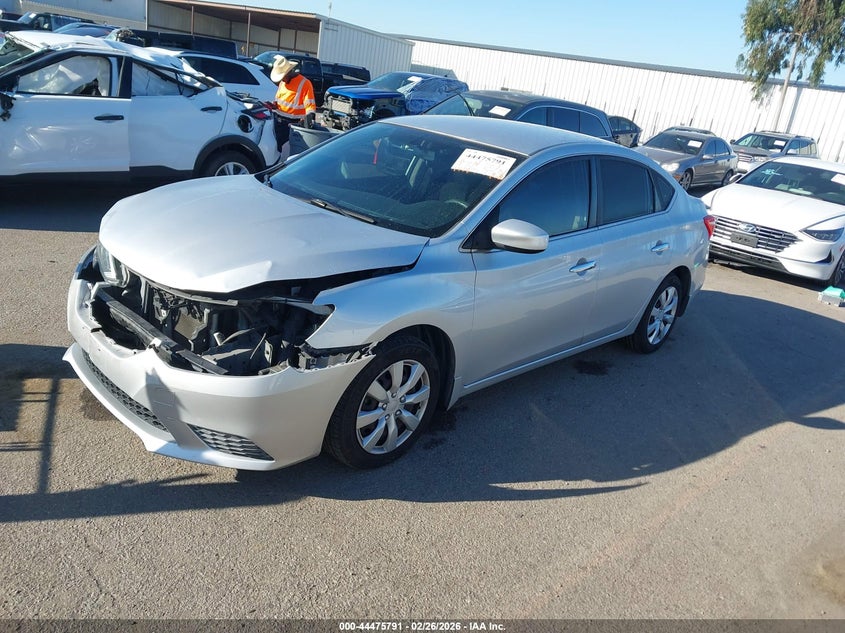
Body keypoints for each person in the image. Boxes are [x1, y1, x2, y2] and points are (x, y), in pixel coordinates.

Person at [270, 56, 316, 156]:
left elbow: (310, 106)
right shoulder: (283, 82)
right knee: (276, 153)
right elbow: (280, 101)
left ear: (289, 72)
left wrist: (308, 118)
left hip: (292, 126)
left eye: (283, 77)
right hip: (278, 123)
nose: (281, 80)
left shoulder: (305, 83)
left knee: (288, 156)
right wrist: (274, 105)